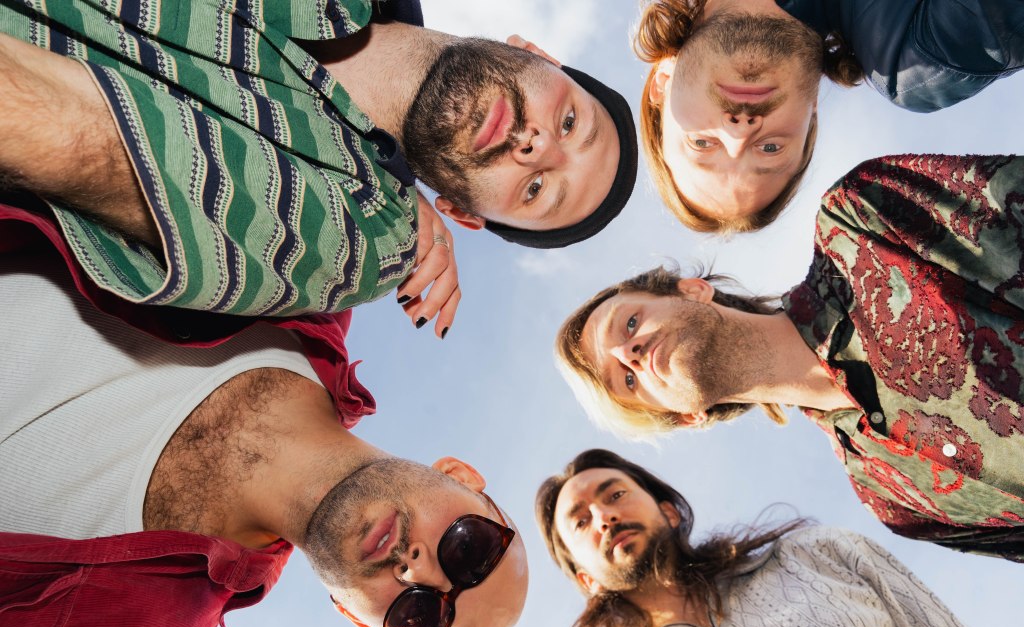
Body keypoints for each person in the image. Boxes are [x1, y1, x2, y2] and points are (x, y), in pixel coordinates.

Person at [0, 249, 529, 627]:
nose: (418, 570)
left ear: (352, 615)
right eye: (468, 548)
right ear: (461, 477)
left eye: (420, 618)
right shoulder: (308, 263)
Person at [0, 0, 637, 338]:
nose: (539, 148)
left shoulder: (356, 239)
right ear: (538, 54)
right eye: (571, 124)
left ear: (463, 215)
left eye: (536, 190)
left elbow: (70, 137)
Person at [556, 153, 1024, 560]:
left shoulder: (862, 218)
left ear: (692, 290)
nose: (628, 352)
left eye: (630, 323)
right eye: (627, 382)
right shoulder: (893, 503)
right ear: (687, 418)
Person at [536, 449, 997, 627]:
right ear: (586, 580)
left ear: (669, 512)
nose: (604, 517)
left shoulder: (815, 552)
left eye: (615, 494)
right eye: (580, 522)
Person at [634, 0, 1023, 233]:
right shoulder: (915, 55)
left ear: (663, 82)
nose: (740, 132)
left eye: (702, 144)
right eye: (770, 149)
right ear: (810, 113)